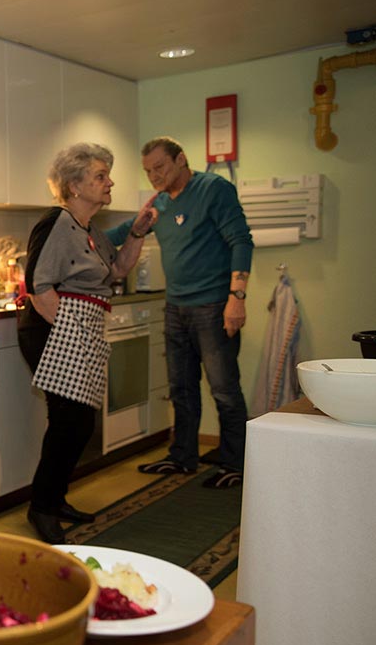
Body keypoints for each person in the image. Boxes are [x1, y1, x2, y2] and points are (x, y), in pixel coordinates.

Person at [17, 143, 156, 544]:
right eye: (100, 176)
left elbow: (118, 269)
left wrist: (137, 231)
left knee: (78, 423)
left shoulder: (89, 230)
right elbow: (38, 284)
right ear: (74, 185)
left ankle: (53, 498)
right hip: (52, 328)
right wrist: (70, 334)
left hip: (80, 327)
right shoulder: (57, 222)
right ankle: (41, 508)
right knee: (69, 422)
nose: (109, 182)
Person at [118, 136, 252, 489]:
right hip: (175, 307)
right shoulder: (159, 203)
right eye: (148, 171)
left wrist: (237, 298)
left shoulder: (213, 189)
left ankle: (236, 463)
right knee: (181, 388)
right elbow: (122, 232)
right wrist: (78, 229)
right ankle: (182, 457)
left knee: (224, 390)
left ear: (180, 159)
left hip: (214, 306)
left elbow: (241, 241)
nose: (154, 176)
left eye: (159, 167)